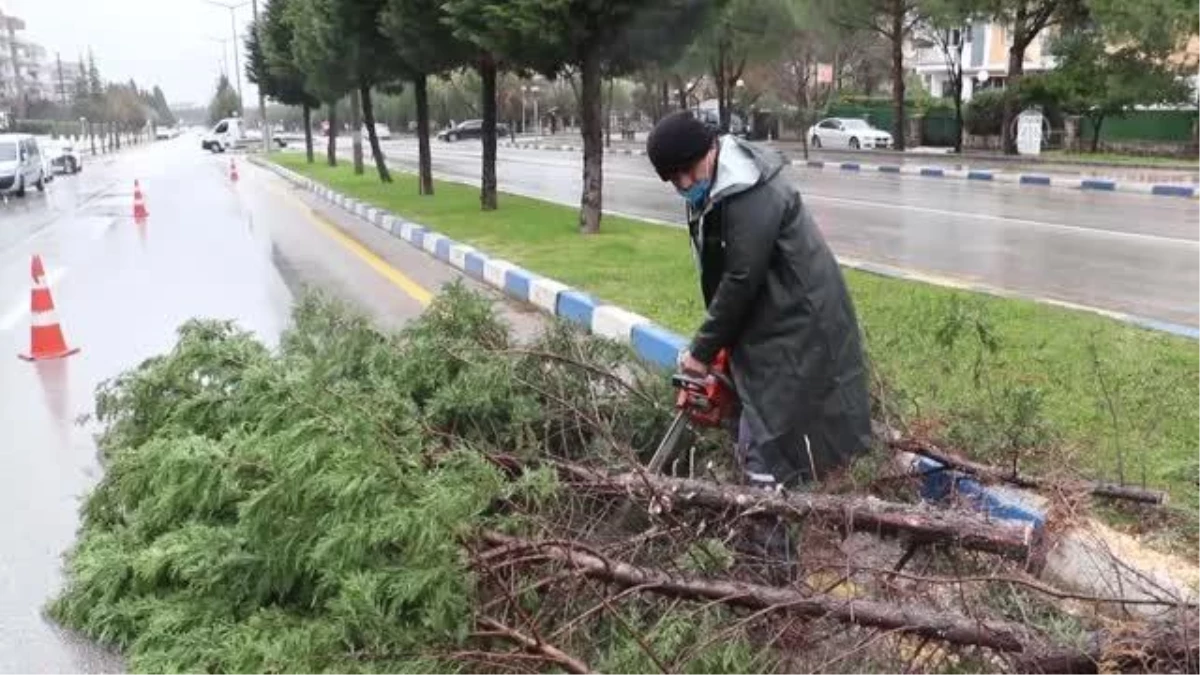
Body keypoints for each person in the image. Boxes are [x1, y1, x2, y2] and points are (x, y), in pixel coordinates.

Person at [646, 110, 873, 489]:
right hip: (769, 321)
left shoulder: (749, 190)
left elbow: (740, 278)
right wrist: (720, 344)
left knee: (768, 442)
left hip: (798, 326)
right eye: (674, 179)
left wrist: (702, 351)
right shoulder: (720, 183)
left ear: (710, 149)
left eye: (688, 169)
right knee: (751, 426)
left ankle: (766, 537)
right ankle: (770, 514)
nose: (685, 183)